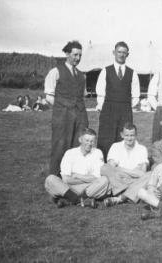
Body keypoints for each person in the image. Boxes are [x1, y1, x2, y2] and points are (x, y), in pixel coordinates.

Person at [44, 40, 88, 176]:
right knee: (60, 146)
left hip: (80, 115)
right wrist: (62, 108)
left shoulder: (82, 75)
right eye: (75, 55)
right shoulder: (56, 71)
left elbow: (83, 95)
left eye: (80, 55)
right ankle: (55, 178)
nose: (78, 58)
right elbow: (49, 96)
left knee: (78, 146)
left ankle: (73, 178)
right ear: (67, 54)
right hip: (62, 115)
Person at [95, 41, 140, 160]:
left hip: (125, 109)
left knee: (124, 139)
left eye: (124, 53)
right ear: (114, 53)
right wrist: (102, 106)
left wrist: (127, 107)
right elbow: (100, 92)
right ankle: (103, 166)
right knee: (106, 138)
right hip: (108, 109)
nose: (121, 55)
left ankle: (122, 165)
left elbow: (136, 96)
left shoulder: (132, 73)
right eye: (119, 52)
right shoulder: (106, 70)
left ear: (127, 54)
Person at [44, 128, 110, 208]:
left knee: (105, 180)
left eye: (92, 141)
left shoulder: (97, 152)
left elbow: (96, 178)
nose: (89, 143)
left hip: (88, 187)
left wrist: (78, 176)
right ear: (80, 140)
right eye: (87, 140)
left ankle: (68, 200)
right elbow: (66, 179)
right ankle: (81, 200)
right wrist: (87, 178)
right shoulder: (70, 153)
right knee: (50, 179)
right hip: (69, 187)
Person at [101, 122, 150, 206]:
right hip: (122, 180)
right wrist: (133, 172)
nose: (129, 138)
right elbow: (111, 167)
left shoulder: (142, 149)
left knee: (150, 174)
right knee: (104, 168)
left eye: (132, 135)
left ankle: (121, 198)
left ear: (136, 135)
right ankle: (129, 193)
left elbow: (142, 173)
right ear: (122, 135)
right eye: (127, 135)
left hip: (133, 180)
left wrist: (121, 169)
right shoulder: (115, 146)